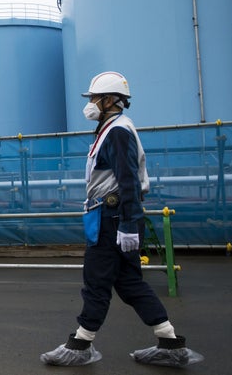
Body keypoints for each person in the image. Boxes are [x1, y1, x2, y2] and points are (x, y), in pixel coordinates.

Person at [40, 71, 204, 367]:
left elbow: (127, 180)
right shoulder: (111, 129)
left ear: (109, 100)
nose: (89, 103)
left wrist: (128, 225)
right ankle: (169, 341)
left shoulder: (117, 131)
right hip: (114, 215)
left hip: (113, 217)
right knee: (129, 282)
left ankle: (81, 344)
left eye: (93, 98)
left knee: (96, 279)